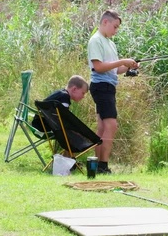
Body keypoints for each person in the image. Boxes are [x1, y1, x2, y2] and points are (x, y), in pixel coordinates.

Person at [87, 9, 139, 174]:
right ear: (105, 22)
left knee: (102, 127)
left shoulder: (110, 43)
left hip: (109, 87)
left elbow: (115, 70)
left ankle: (95, 166)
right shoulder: (96, 41)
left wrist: (129, 66)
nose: (116, 30)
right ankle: (103, 166)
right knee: (112, 125)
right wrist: (122, 61)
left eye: (117, 28)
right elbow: (99, 67)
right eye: (114, 27)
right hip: (101, 87)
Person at [32, 75, 89, 157]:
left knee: (69, 132)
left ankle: (68, 159)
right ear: (74, 89)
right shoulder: (65, 97)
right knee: (72, 133)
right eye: (83, 93)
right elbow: (63, 119)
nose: (83, 96)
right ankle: (70, 160)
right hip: (44, 126)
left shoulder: (60, 93)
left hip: (39, 122)